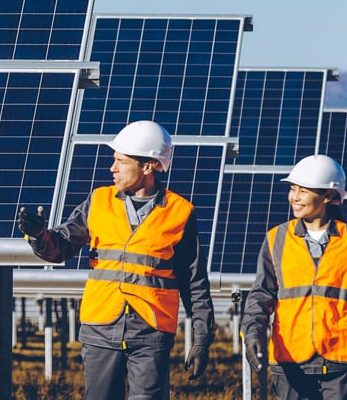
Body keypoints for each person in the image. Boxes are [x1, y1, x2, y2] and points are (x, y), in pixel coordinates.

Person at [18, 120, 214, 400]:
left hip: (151, 329)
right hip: (100, 326)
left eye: (121, 162)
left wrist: (202, 337)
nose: (113, 168)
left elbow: (194, 281)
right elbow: (59, 249)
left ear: (149, 166)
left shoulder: (180, 212)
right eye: (114, 160)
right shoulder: (98, 201)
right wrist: (39, 235)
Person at [241, 153, 347, 400]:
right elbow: (261, 295)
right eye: (292, 189)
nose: (294, 197)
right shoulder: (276, 239)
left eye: (303, 190)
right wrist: (253, 333)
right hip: (290, 355)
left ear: (329, 196)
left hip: (340, 360)